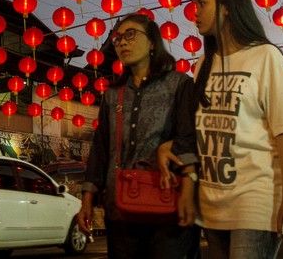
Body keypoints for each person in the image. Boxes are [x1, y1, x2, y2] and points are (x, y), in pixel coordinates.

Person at [160, 0, 283, 259]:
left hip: (256, 199)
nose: (195, 11)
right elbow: (198, 129)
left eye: (202, 3)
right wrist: (169, 147)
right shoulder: (204, 63)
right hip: (211, 204)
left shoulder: (265, 56)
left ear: (227, 7)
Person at [77, 13, 200, 259]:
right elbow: (101, 148)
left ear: (153, 41)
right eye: (117, 38)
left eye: (130, 35)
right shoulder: (113, 95)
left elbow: (189, 136)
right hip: (120, 210)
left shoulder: (179, 84)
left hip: (168, 202)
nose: (122, 42)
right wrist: (87, 197)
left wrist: (189, 188)